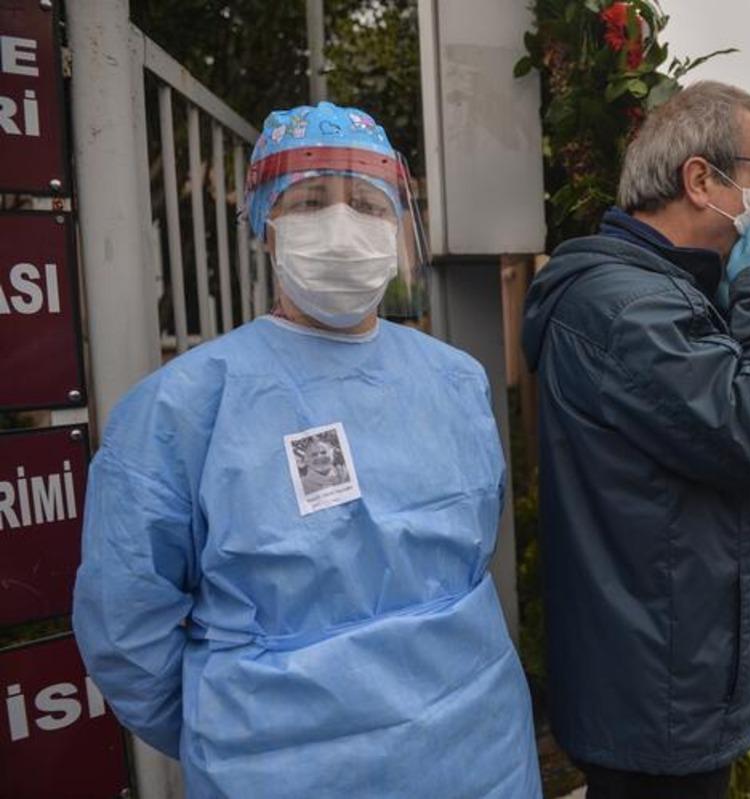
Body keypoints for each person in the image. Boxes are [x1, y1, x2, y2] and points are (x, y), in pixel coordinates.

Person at [73, 102, 541, 798]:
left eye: (367, 204)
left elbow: (470, 551)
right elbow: (125, 629)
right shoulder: (182, 407)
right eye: (312, 199)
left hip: (479, 753)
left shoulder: (454, 380)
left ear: (396, 224)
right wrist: (240, 726)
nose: (343, 225)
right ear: (265, 225)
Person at [521, 81, 750, 797]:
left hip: (670, 682)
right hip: (655, 697)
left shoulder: (667, 292)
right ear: (699, 180)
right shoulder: (624, 306)